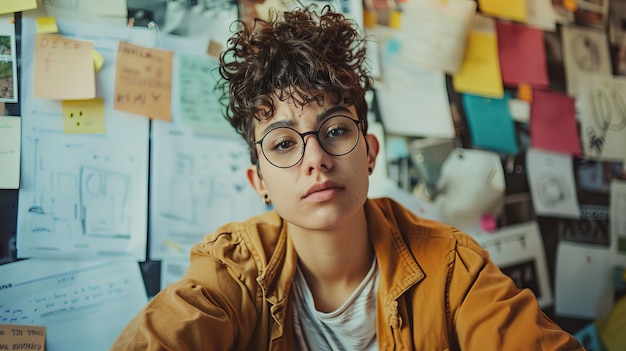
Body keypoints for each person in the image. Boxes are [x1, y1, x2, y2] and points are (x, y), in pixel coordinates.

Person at [111, 5, 584, 350]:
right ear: (259, 183)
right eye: (282, 143)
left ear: (370, 152)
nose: (315, 157)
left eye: (335, 130)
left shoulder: (451, 265)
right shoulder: (232, 270)